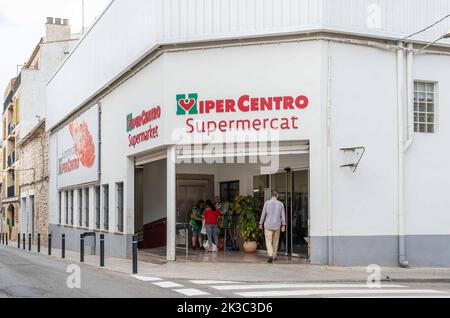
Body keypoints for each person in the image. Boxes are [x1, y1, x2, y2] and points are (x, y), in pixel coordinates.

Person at [259, 191, 287, 263]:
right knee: (276, 241)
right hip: (277, 225)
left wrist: (260, 223)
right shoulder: (281, 204)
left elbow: (263, 214)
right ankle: (274, 256)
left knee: (268, 241)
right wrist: (283, 225)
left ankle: (270, 254)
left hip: (268, 225)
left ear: (271, 196)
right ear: (277, 196)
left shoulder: (266, 203)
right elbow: (283, 216)